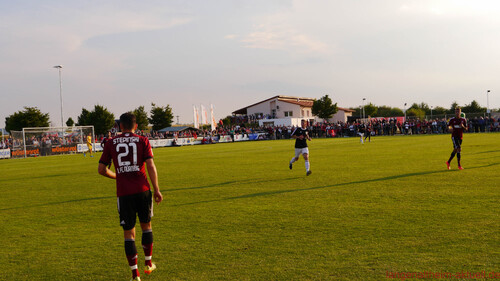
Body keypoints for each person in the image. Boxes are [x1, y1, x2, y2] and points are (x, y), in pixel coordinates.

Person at [98, 113, 163, 281]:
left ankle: (135, 276)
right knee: (146, 226)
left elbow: (101, 169)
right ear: (136, 126)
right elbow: (150, 165)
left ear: (120, 126)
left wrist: (117, 176)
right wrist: (157, 189)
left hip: (124, 193)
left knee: (129, 233)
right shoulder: (143, 140)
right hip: (142, 190)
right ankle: (148, 264)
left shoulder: (111, 142)